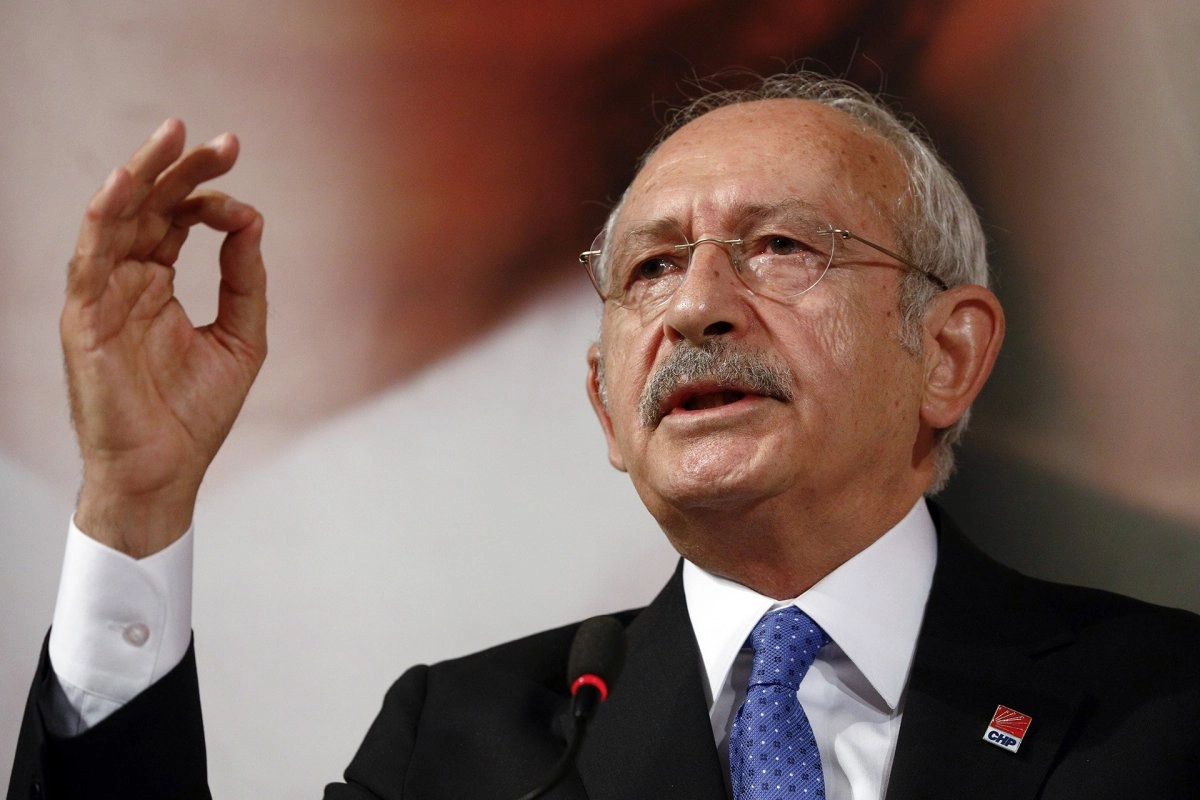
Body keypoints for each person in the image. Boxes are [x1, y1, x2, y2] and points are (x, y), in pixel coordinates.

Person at [9, 71, 1200, 800]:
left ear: (947, 352)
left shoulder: (1168, 704)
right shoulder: (462, 745)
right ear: (605, 406)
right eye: (651, 268)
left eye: (781, 246)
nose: (696, 306)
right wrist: (135, 498)